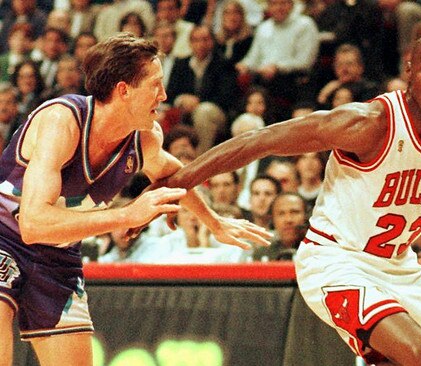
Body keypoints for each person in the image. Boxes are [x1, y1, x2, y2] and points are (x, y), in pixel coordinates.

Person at [157, 33, 421, 365]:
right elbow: (263, 140)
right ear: (410, 72)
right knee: (417, 352)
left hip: (399, 269)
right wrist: (181, 180)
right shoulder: (369, 123)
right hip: (335, 261)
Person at [0, 34, 270, 366]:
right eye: (155, 85)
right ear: (124, 89)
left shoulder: (145, 139)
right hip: (5, 237)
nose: (164, 95)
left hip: (58, 256)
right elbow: (33, 224)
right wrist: (127, 215)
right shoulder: (63, 120)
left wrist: (214, 222)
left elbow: (175, 177)